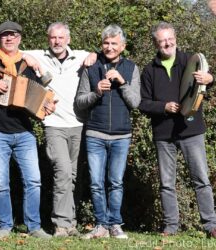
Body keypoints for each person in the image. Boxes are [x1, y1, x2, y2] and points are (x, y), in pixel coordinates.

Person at [138, 22, 216, 239]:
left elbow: (208, 81)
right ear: (156, 44)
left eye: (169, 39)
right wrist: (162, 107)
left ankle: (211, 226)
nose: (167, 43)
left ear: (175, 39)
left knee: (201, 179)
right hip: (163, 134)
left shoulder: (189, 61)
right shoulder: (149, 71)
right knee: (167, 183)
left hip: (191, 130)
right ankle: (171, 227)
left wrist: (209, 79)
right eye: (162, 41)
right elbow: (143, 103)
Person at [0, 20, 56, 239]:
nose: (9, 39)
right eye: (4, 35)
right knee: (0, 182)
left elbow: (41, 92)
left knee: (33, 181)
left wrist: (46, 105)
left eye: (13, 35)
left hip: (24, 132)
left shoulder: (26, 65)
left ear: (19, 38)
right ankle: (4, 225)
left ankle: (34, 226)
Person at [24, 22, 95, 237]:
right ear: (48, 39)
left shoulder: (80, 56)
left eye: (61, 38)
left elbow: (102, 53)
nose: (57, 41)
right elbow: (13, 51)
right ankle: (61, 225)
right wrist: (29, 58)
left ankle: (71, 223)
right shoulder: (40, 55)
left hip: (78, 124)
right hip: (53, 124)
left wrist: (93, 54)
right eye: (53, 38)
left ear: (68, 40)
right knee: (62, 171)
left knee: (73, 175)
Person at [75, 24, 141, 239]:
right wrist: (96, 92)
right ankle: (101, 225)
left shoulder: (131, 68)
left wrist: (122, 83)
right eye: (106, 43)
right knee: (95, 182)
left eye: (114, 43)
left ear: (122, 46)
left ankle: (115, 224)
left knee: (116, 182)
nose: (109, 47)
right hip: (95, 133)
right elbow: (80, 102)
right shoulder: (91, 68)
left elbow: (135, 102)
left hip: (121, 135)